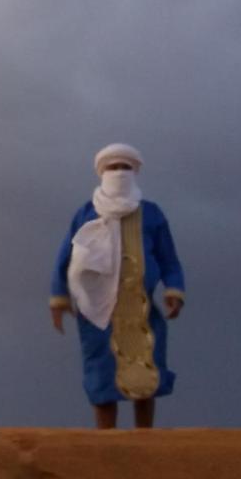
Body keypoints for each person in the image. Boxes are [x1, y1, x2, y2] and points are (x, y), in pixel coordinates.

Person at [50, 144, 185, 429]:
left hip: (141, 309)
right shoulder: (86, 213)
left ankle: (144, 438)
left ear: (134, 171)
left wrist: (174, 290)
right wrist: (59, 298)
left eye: (125, 167)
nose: (119, 172)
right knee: (101, 374)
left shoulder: (151, 214)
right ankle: (107, 441)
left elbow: (168, 257)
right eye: (113, 167)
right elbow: (65, 257)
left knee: (145, 372)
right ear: (102, 172)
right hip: (96, 312)